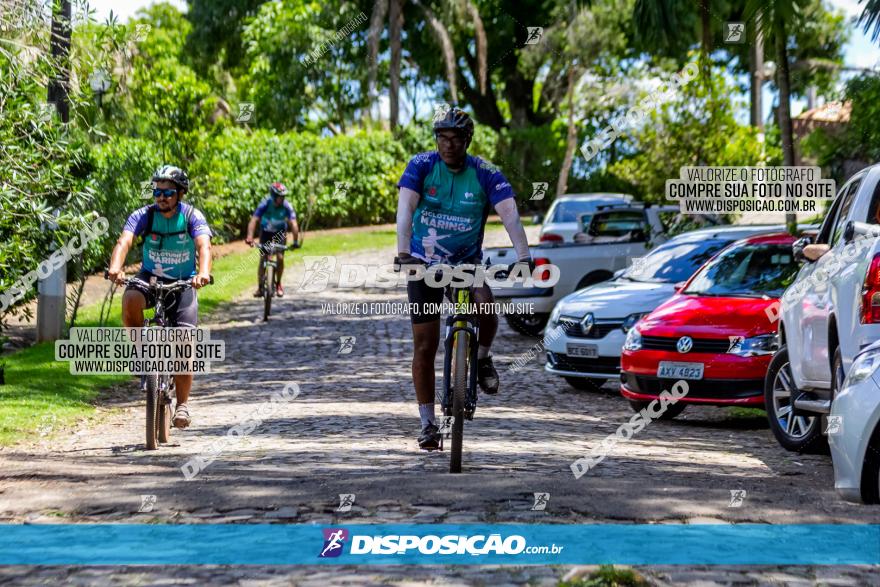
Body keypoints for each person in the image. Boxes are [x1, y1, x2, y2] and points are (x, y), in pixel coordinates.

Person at [395, 106, 533, 450]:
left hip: (466, 263)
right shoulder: (422, 166)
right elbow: (406, 208)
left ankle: (483, 356)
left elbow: (510, 215)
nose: (449, 145)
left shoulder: (485, 172)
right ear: (436, 140)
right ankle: (427, 424)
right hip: (424, 263)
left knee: (486, 306)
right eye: (443, 138)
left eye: (456, 139)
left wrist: (524, 257)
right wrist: (402, 252)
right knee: (424, 346)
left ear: (467, 141)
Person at [107, 165, 212, 429]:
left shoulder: (191, 216)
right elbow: (125, 241)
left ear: (180, 194)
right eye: (157, 191)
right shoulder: (143, 215)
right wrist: (115, 267)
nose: (161, 196)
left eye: (168, 192)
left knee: (185, 342)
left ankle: (183, 405)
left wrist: (204, 273)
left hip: (183, 282)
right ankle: (140, 352)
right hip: (150, 277)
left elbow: (204, 245)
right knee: (130, 298)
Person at [245, 182, 300, 297]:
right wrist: (250, 237)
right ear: (274, 196)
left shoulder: (286, 206)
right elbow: (254, 220)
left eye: (283, 196)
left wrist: (295, 241)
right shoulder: (265, 203)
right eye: (280, 197)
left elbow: (293, 224)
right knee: (263, 258)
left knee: (280, 257)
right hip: (266, 231)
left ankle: (278, 283)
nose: (282, 199)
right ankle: (260, 287)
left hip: (280, 232)